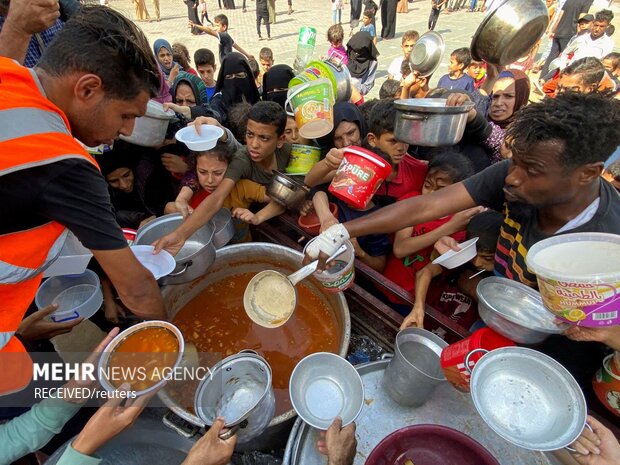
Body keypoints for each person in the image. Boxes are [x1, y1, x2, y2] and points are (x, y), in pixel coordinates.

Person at [306, 92, 620, 391]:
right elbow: (426, 206)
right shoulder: (514, 177)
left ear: (587, 174)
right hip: (493, 319)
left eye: (533, 170)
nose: (512, 177)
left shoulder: (607, 243)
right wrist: (343, 231)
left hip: (554, 353)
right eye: (516, 163)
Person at [0, 5, 167, 396]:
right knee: (43, 409)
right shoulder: (64, 164)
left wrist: (18, 27)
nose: (126, 131)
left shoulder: (11, 76)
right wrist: (168, 344)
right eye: (126, 115)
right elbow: (137, 289)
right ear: (88, 88)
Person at [154, 101, 292, 254]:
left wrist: (259, 217)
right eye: (249, 134)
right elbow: (216, 198)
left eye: (264, 138)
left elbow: (290, 196)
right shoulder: (242, 160)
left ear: (280, 140)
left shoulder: (291, 152)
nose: (253, 144)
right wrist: (180, 235)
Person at [383, 151, 477, 309]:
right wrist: (449, 228)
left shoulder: (462, 222)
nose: (430, 194)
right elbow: (400, 248)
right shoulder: (413, 202)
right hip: (387, 285)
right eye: (427, 185)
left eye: (440, 190)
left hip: (416, 299)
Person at [399, 209, 502, 329]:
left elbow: (500, 317)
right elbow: (425, 272)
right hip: (437, 317)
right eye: (474, 254)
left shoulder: (506, 275)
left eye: (488, 258)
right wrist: (418, 307)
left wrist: (473, 290)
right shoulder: (463, 255)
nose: (477, 262)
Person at [165, 142, 278, 241]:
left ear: (231, 169)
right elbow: (170, 208)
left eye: (218, 173)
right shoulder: (193, 187)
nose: (209, 180)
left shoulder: (242, 187)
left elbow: (280, 200)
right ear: (195, 170)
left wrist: (257, 217)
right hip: (204, 252)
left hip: (239, 251)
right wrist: (178, 208)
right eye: (203, 172)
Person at [541, 0, 594, 78]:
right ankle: (546, 80)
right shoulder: (587, 1)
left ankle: (542, 78)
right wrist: (578, 33)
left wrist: (554, 30)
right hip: (570, 33)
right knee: (563, 59)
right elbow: (582, 18)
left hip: (559, 31)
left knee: (551, 57)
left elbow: (560, 15)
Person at [209, 52, 260, 124]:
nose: (234, 81)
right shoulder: (218, 102)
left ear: (248, 76)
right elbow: (214, 115)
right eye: (229, 77)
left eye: (240, 76)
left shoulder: (253, 95)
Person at [189, 13, 253, 65]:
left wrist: (196, 25)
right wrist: (247, 55)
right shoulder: (227, 35)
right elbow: (235, 45)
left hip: (226, 64)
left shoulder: (224, 35)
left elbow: (210, 31)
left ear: (224, 27)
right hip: (227, 63)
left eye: (217, 26)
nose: (215, 28)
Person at [346, 31, 379, 96]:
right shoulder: (347, 54)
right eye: (355, 50)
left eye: (361, 51)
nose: (357, 54)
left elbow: (368, 85)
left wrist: (355, 87)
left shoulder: (372, 63)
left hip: (357, 97)